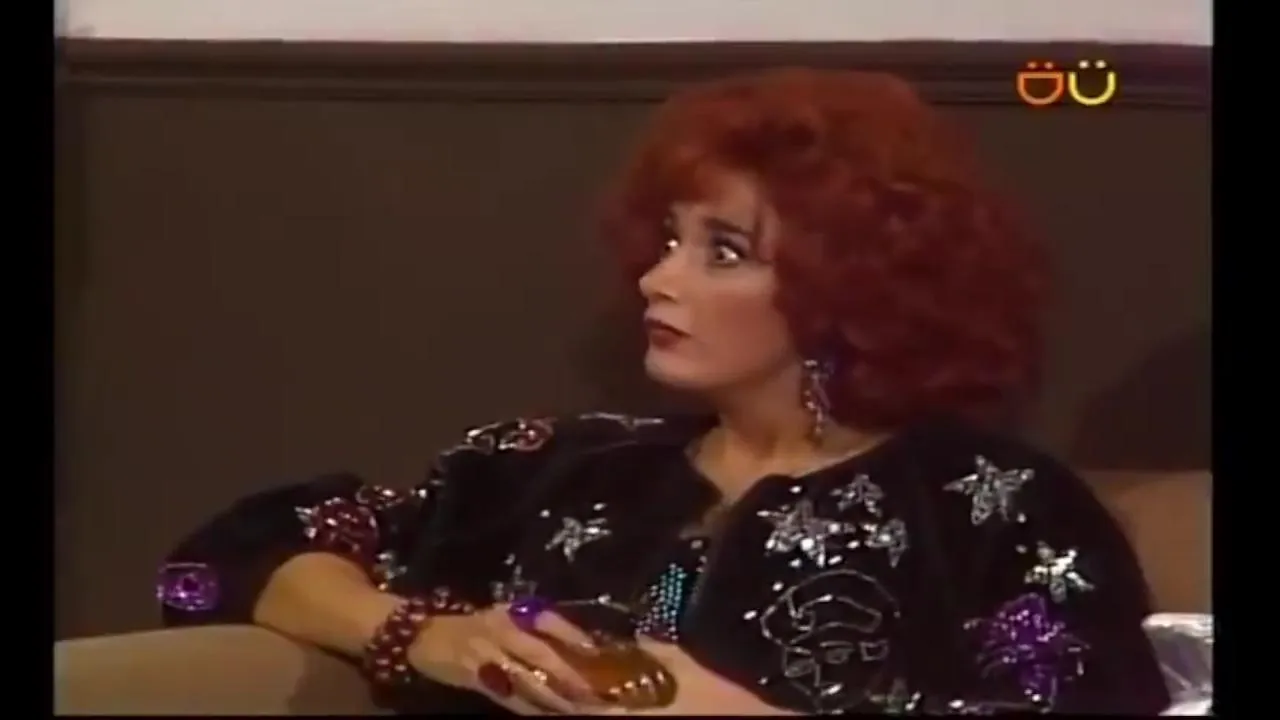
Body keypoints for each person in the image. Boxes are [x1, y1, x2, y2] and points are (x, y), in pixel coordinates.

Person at [158, 68, 1171, 715]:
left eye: (721, 251)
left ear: (846, 286)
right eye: (669, 240)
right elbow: (218, 565)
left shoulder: (986, 510)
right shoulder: (553, 468)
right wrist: (424, 635)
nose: (657, 278)